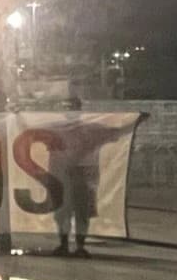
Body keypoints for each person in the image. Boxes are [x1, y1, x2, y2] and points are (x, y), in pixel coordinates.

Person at [51, 97, 136, 257]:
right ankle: (65, 244)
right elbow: (29, 130)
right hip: (65, 175)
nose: (69, 113)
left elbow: (117, 131)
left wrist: (135, 122)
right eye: (67, 109)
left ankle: (78, 246)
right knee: (64, 212)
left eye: (71, 109)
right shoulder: (59, 129)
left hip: (82, 175)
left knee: (81, 211)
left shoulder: (89, 129)